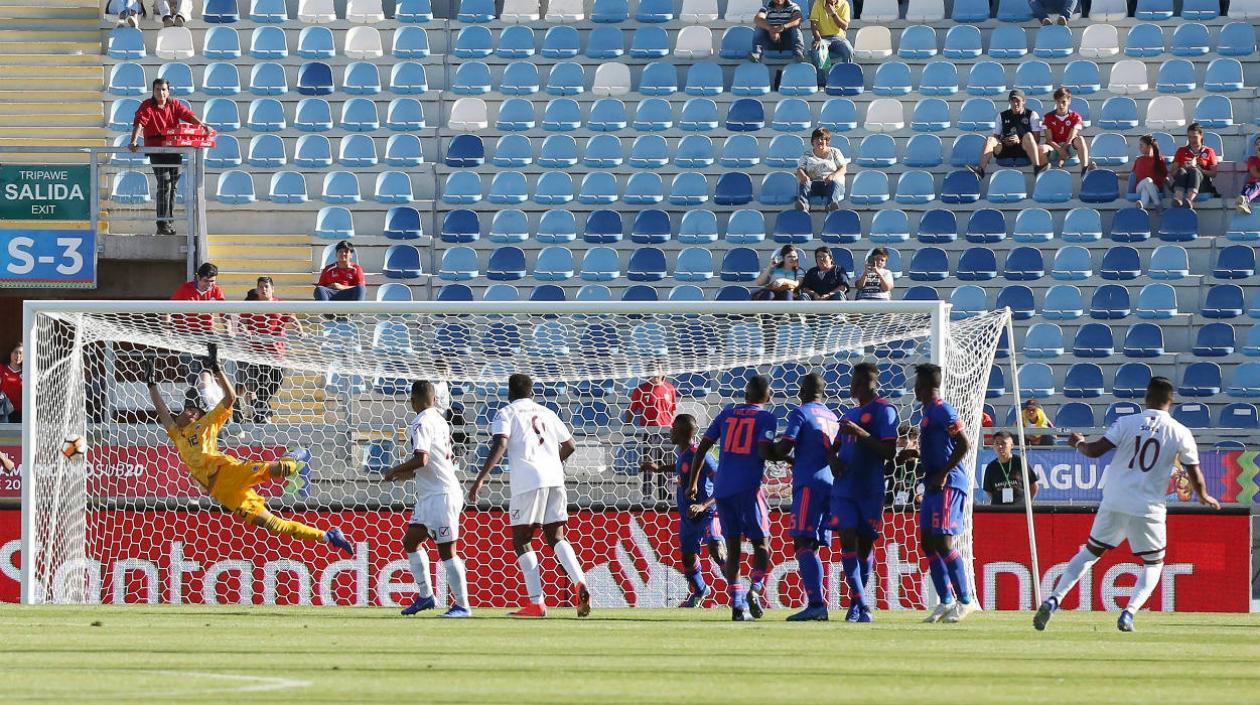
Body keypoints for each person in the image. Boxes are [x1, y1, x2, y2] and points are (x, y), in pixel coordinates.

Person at [1034, 377, 1218, 633]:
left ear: (1146, 397)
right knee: (1153, 564)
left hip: (1115, 500)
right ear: (1171, 400)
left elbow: (1095, 451)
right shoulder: (1180, 432)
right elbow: (1193, 471)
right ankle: (1129, 613)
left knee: (1090, 552)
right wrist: (1203, 495)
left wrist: (1078, 443)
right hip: (1148, 507)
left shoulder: (1127, 422)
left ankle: (1054, 599)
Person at [144, 344, 354, 556]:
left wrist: (217, 369)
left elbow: (231, 398)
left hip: (230, 472)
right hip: (224, 493)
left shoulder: (206, 424)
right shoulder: (177, 434)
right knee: (274, 525)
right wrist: (151, 385)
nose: (190, 413)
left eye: (194, 411)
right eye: (188, 410)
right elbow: (162, 411)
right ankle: (328, 536)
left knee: (286, 469)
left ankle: (298, 453)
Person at [468, 373, 591, 618]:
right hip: (555, 478)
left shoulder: (506, 413)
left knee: (522, 540)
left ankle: (537, 603)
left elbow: (501, 443)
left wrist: (481, 477)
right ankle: (580, 582)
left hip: (528, 481)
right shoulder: (547, 412)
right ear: (531, 392)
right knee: (556, 536)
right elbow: (570, 445)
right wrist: (552, 463)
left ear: (510, 392)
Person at [689, 375, 778, 621]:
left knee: (734, 548)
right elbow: (765, 451)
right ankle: (756, 588)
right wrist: (789, 457)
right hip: (749, 487)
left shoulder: (726, 414)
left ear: (746, 394)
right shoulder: (766, 418)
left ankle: (737, 605)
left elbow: (702, 447)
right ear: (768, 396)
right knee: (762, 544)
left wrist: (693, 482)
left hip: (723, 489)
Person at [382, 381, 471, 619]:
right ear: (434, 399)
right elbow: (433, 461)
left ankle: (462, 606)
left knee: (447, 551)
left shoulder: (420, 422)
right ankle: (426, 596)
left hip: (441, 495)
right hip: (430, 496)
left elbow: (422, 458)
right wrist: (409, 475)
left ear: (414, 400)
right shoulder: (440, 421)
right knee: (411, 541)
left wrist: (395, 470)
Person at [904, 363, 976, 624]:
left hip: (948, 483)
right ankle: (945, 600)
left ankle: (965, 601)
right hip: (933, 483)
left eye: (916, 383)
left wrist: (944, 472)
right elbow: (940, 447)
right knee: (928, 542)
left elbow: (964, 443)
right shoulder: (927, 413)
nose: (914, 388)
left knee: (944, 542)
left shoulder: (943, 409)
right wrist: (916, 454)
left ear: (922, 386)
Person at [827, 363, 898, 622]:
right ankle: (862, 604)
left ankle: (856, 604)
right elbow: (833, 448)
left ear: (862, 384)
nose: (850, 385)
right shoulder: (849, 413)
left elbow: (889, 452)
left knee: (865, 547)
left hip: (869, 489)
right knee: (847, 540)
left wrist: (859, 432)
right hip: (845, 488)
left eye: (853, 381)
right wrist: (833, 462)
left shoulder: (885, 410)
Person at [774, 373, 840, 622]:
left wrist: (765, 449)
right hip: (830, 483)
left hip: (809, 485)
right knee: (813, 546)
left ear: (802, 391)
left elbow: (785, 445)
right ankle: (819, 604)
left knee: (802, 541)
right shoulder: (832, 416)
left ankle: (816, 605)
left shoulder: (801, 412)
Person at [128, 78, 208, 235]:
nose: (161, 92)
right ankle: (162, 224)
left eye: (163, 89)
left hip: (174, 150)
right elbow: (140, 123)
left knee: (173, 186)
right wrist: (134, 140)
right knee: (164, 184)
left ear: (168, 91)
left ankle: (168, 223)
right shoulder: (147, 105)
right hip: (157, 151)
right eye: (157, 89)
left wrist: (201, 125)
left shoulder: (174, 104)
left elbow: (187, 115)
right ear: (153, 91)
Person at [665, 414, 727, 608]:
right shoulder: (683, 453)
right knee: (687, 558)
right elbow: (682, 468)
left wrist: (702, 506)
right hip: (688, 517)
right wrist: (659, 468)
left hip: (708, 513)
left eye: (673, 428)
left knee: (716, 549)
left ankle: (738, 593)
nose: (670, 431)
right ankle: (701, 590)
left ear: (682, 432)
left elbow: (722, 485)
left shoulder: (703, 456)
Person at [237, 277, 301, 423]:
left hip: (277, 355)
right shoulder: (251, 306)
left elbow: (292, 319)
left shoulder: (281, 305)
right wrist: (245, 331)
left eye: (266, 286)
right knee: (261, 385)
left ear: (273, 289)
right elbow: (241, 322)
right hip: (258, 354)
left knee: (276, 381)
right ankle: (263, 415)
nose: (263, 289)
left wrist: (300, 330)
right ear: (257, 289)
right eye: (260, 286)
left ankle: (260, 410)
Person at [969, 90, 1052, 179]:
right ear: (1009, 101)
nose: (1015, 104)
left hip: (1024, 149)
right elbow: (996, 137)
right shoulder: (1002, 115)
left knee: (1028, 135)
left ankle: (1037, 167)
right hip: (1005, 148)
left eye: (1018, 101)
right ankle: (981, 170)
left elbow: (1037, 139)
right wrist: (1004, 141)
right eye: (1013, 100)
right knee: (990, 139)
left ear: (1023, 101)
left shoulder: (1031, 114)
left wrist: (1020, 140)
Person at [625, 365, 678, 503]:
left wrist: (672, 428)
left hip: (666, 433)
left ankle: (667, 498)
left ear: (663, 372)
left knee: (666, 466)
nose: (655, 373)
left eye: (657, 370)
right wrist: (627, 427)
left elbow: (673, 410)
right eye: (652, 370)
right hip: (649, 433)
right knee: (648, 466)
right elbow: (631, 410)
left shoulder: (670, 388)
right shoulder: (641, 389)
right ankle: (646, 498)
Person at [1042, 87, 1093, 176]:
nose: (1061, 105)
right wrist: (1060, 151)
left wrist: (1062, 155)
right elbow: (1049, 140)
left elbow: (1071, 138)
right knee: (1041, 148)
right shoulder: (1048, 117)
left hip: (1070, 147)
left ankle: (1085, 170)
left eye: (1063, 102)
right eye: (1058, 101)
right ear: (1055, 101)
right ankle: (1044, 175)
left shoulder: (1076, 117)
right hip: (1055, 147)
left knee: (1080, 139)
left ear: (1069, 101)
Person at [795, 127, 848, 213]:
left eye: (822, 139)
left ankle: (831, 206)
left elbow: (843, 168)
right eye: (817, 139)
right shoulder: (806, 155)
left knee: (834, 183)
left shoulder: (835, 152)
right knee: (804, 182)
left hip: (830, 184)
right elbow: (800, 169)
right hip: (813, 185)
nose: (819, 141)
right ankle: (804, 206)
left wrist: (833, 176)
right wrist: (804, 176)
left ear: (827, 141)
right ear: (812, 141)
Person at [982, 431, 1038, 506]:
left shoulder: (1020, 462)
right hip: (998, 509)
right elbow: (988, 490)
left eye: (1003, 443)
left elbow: (1033, 485)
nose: (1000, 446)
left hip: (1019, 509)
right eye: (997, 443)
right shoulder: (991, 467)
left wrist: (1026, 503)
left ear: (1012, 445)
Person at [1170, 122, 1218, 209]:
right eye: (1190, 137)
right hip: (1184, 183)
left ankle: (1189, 200)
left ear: (1201, 136)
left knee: (1194, 170)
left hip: (1202, 185)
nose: (1192, 140)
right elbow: (1173, 173)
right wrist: (1184, 166)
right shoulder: (1181, 151)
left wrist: (1201, 170)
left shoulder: (1209, 151)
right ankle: (1178, 198)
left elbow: (1214, 173)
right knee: (1181, 170)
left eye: (1195, 137)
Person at [808, 0, 853, 78]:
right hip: (822, 38)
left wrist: (833, 14)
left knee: (848, 50)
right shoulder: (818, 3)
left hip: (839, 38)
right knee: (816, 52)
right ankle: (821, 82)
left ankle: (846, 78)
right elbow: (814, 24)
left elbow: (844, 26)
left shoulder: (844, 4)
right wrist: (818, 39)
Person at [1131, 134, 1168, 212]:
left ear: (1149, 147)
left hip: (1155, 188)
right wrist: (1118, 176)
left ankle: (1141, 207)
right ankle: (1158, 204)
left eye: (1141, 145)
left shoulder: (1159, 159)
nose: (1139, 147)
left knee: (1146, 189)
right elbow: (1133, 176)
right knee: (1147, 181)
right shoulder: (1138, 160)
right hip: (1139, 187)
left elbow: (1165, 175)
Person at [1235, 134, 1260, 215]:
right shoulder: (1252, 159)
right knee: (1250, 186)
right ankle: (1243, 201)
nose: (1259, 146)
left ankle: (1245, 200)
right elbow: (1255, 174)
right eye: (1257, 144)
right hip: (1254, 184)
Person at [0, 343, 21, 425]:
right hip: (4, 411)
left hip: (20, 412)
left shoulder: (26, 372)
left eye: (21, 353)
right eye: (16, 352)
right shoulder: (2, 369)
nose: (18, 356)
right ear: (10, 353)